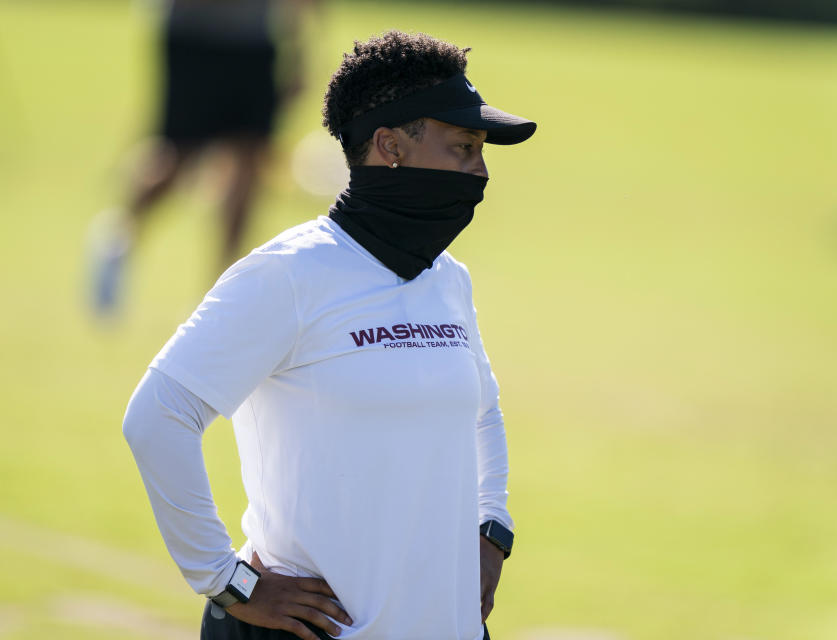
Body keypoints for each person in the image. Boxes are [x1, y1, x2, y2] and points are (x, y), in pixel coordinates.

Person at [123, 30, 536, 640]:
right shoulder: (287, 275)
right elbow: (157, 417)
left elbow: (482, 413)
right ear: (390, 146)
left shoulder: (448, 279)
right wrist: (226, 580)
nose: (479, 172)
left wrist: (491, 529)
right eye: (463, 147)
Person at [89, 0, 315, 315]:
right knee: (178, 158)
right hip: (193, 34)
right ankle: (117, 238)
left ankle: (224, 291)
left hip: (253, 38)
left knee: (249, 161)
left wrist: (300, 47)